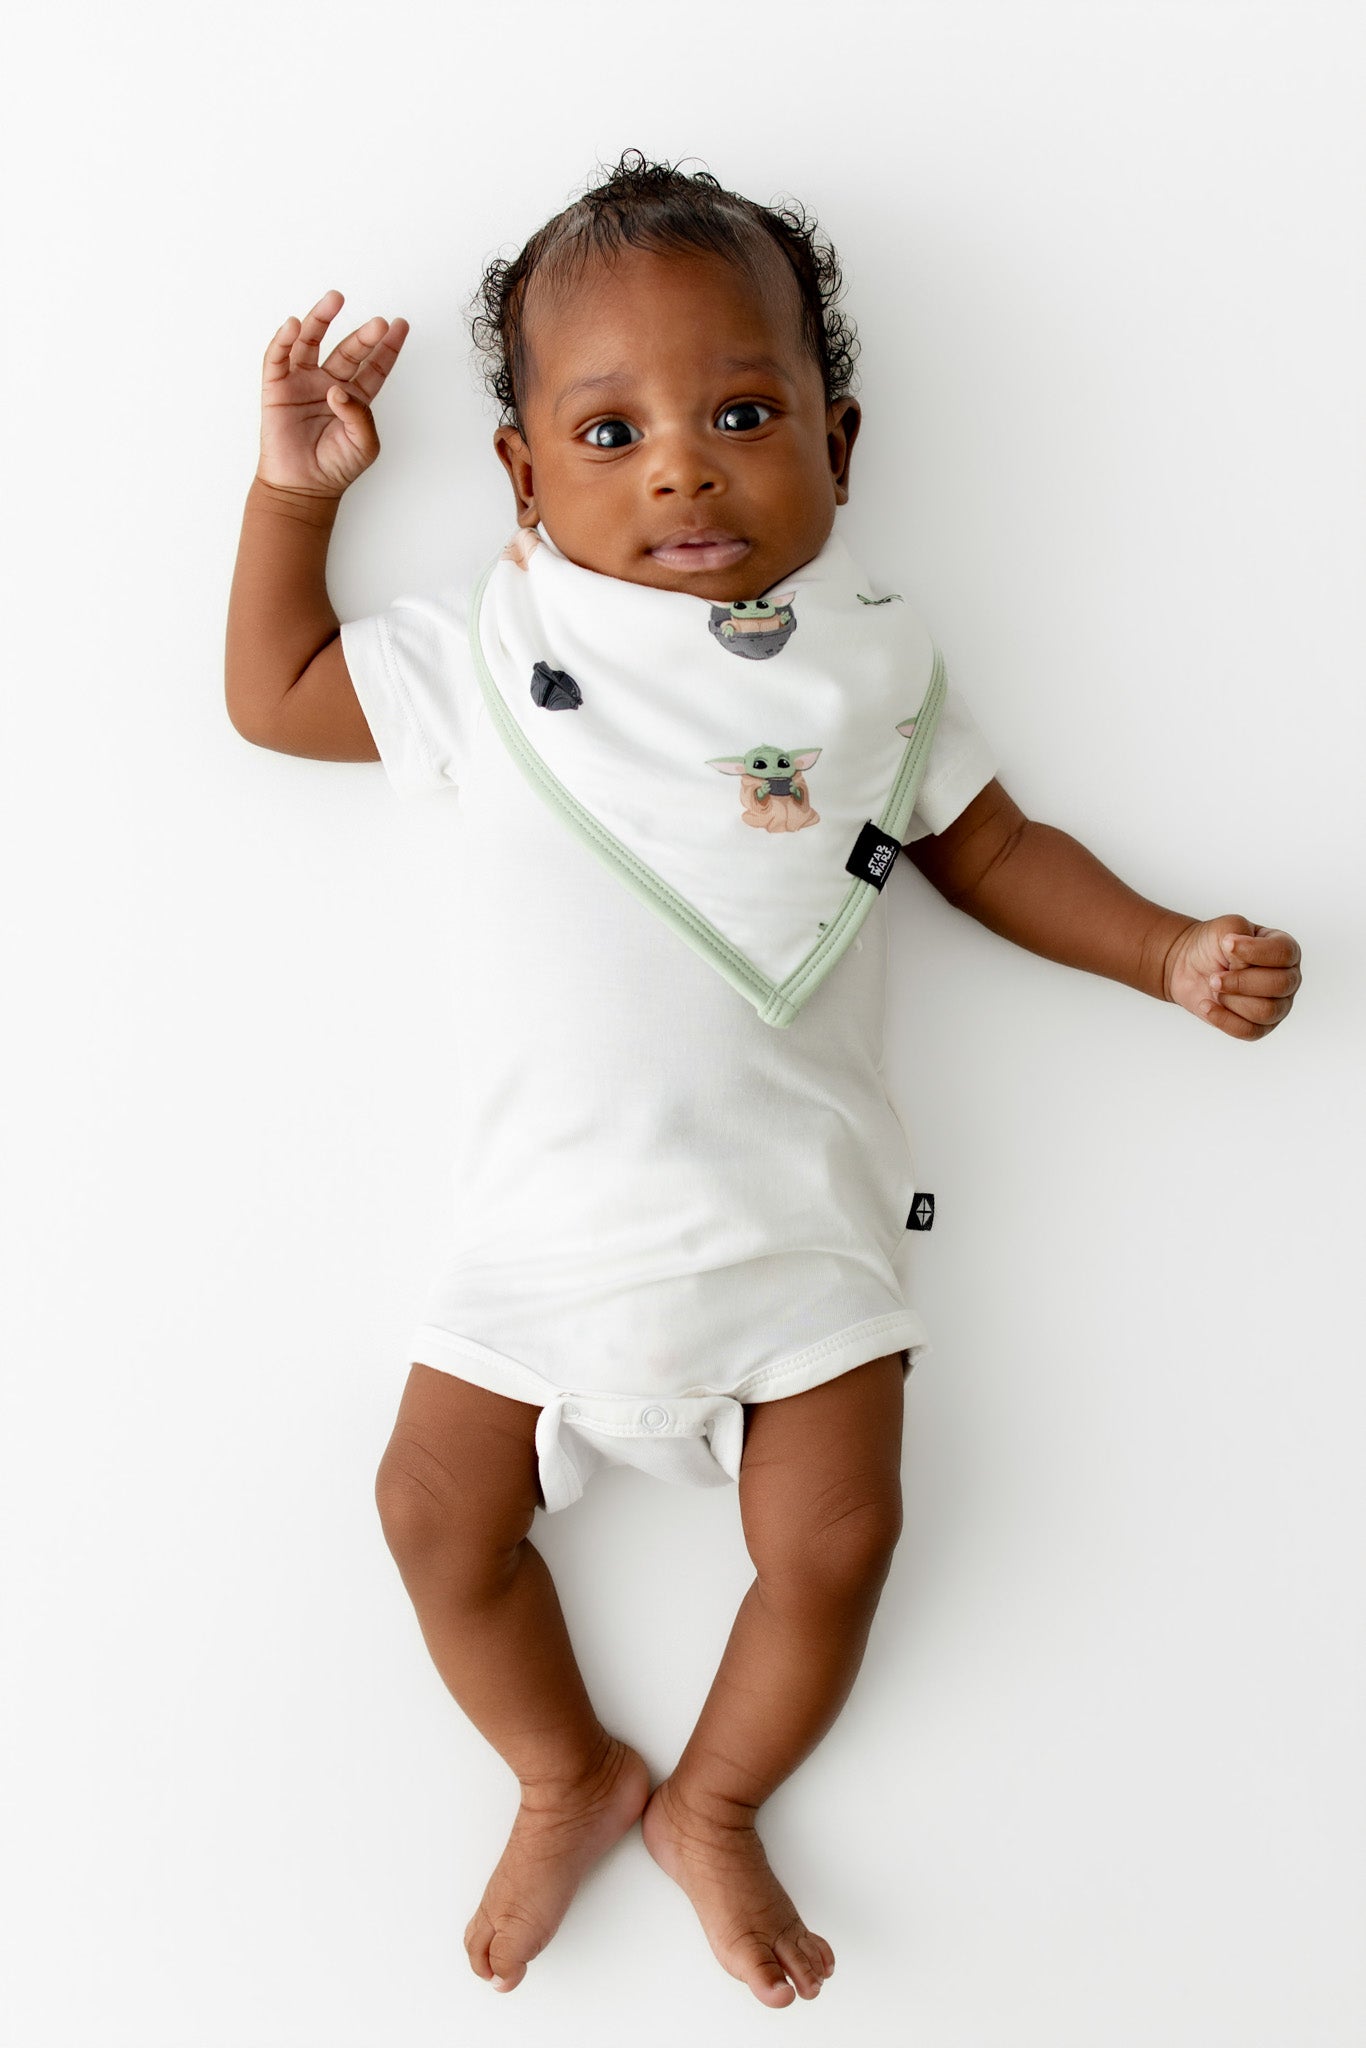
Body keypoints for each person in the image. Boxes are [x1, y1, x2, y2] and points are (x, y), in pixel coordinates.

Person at [224, 152, 1302, 2009]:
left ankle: (713, 1801)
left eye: (741, 412)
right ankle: (567, 1774)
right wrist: (292, 493)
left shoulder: (870, 675)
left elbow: (989, 848)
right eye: (612, 426)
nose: (681, 466)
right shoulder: (492, 660)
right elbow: (272, 689)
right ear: (520, 477)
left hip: (800, 1253)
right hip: (537, 1254)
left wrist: (1160, 951)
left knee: (837, 1544)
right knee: (424, 1515)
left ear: (839, 440)